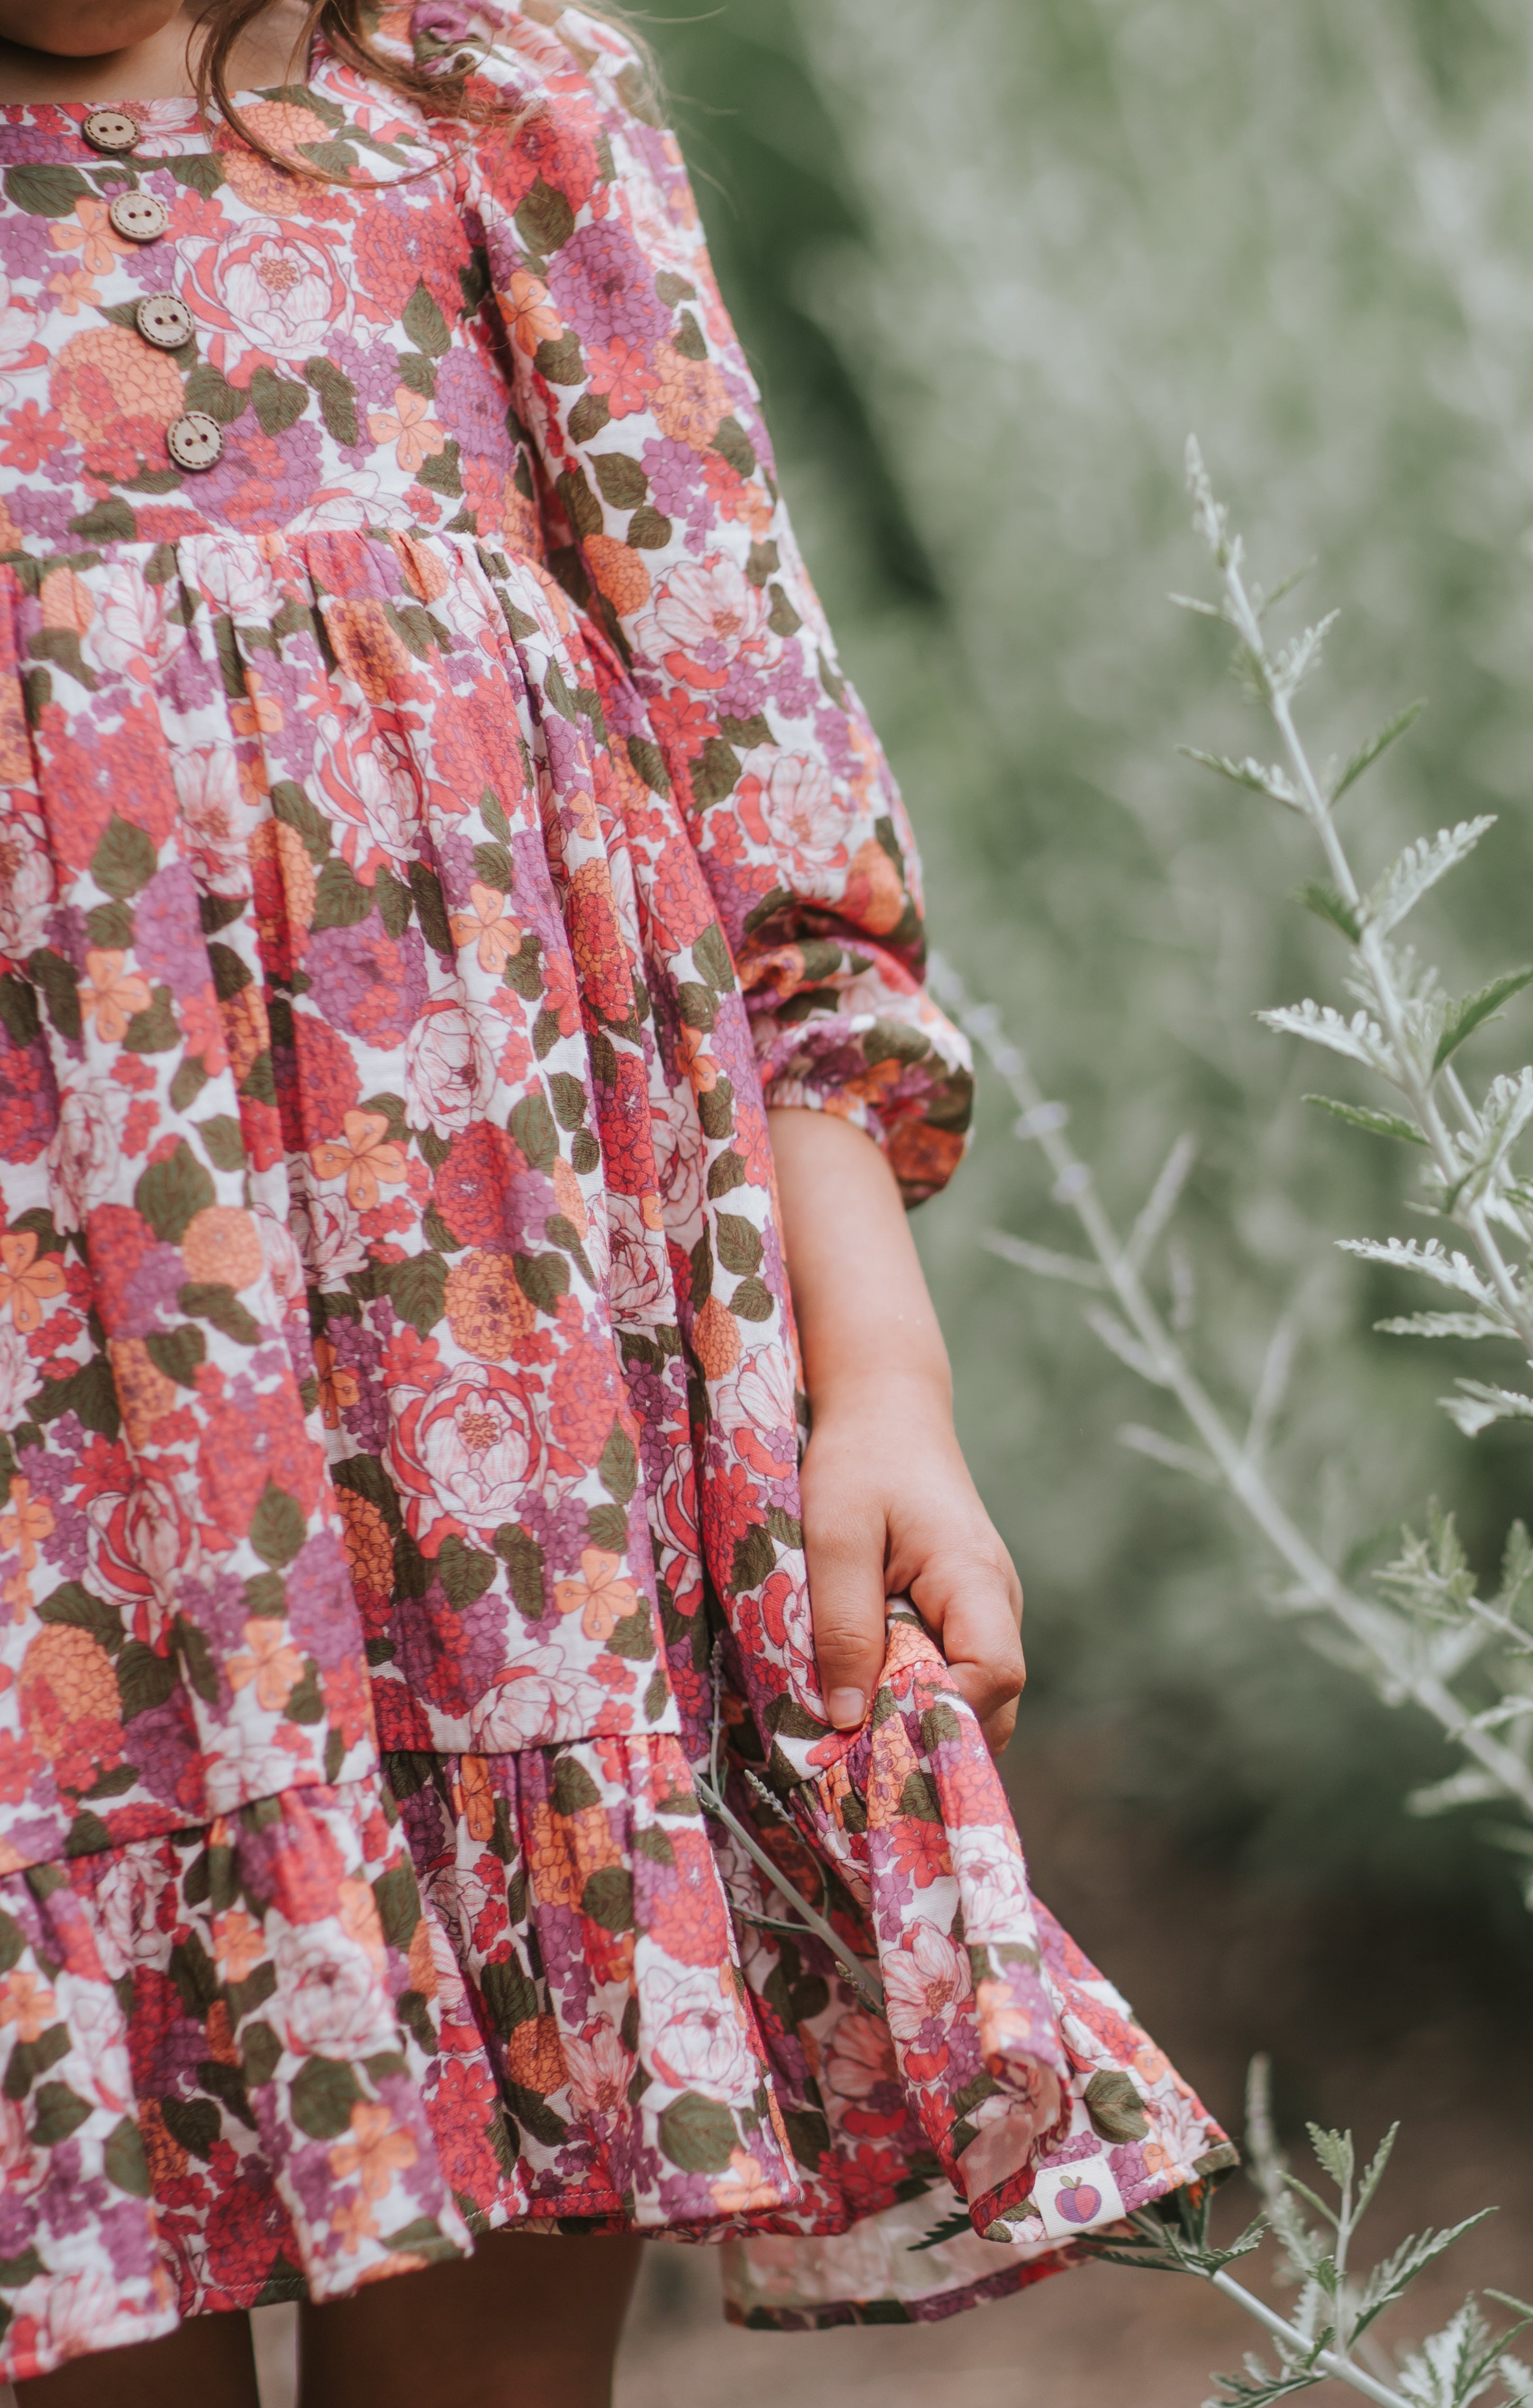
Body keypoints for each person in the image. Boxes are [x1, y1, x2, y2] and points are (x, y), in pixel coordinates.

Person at [0, 2, 1233, 2398]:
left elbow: (759, 791)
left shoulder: (492, 115)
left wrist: (876, 1379)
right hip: (61, 1527)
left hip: (505, 1511)